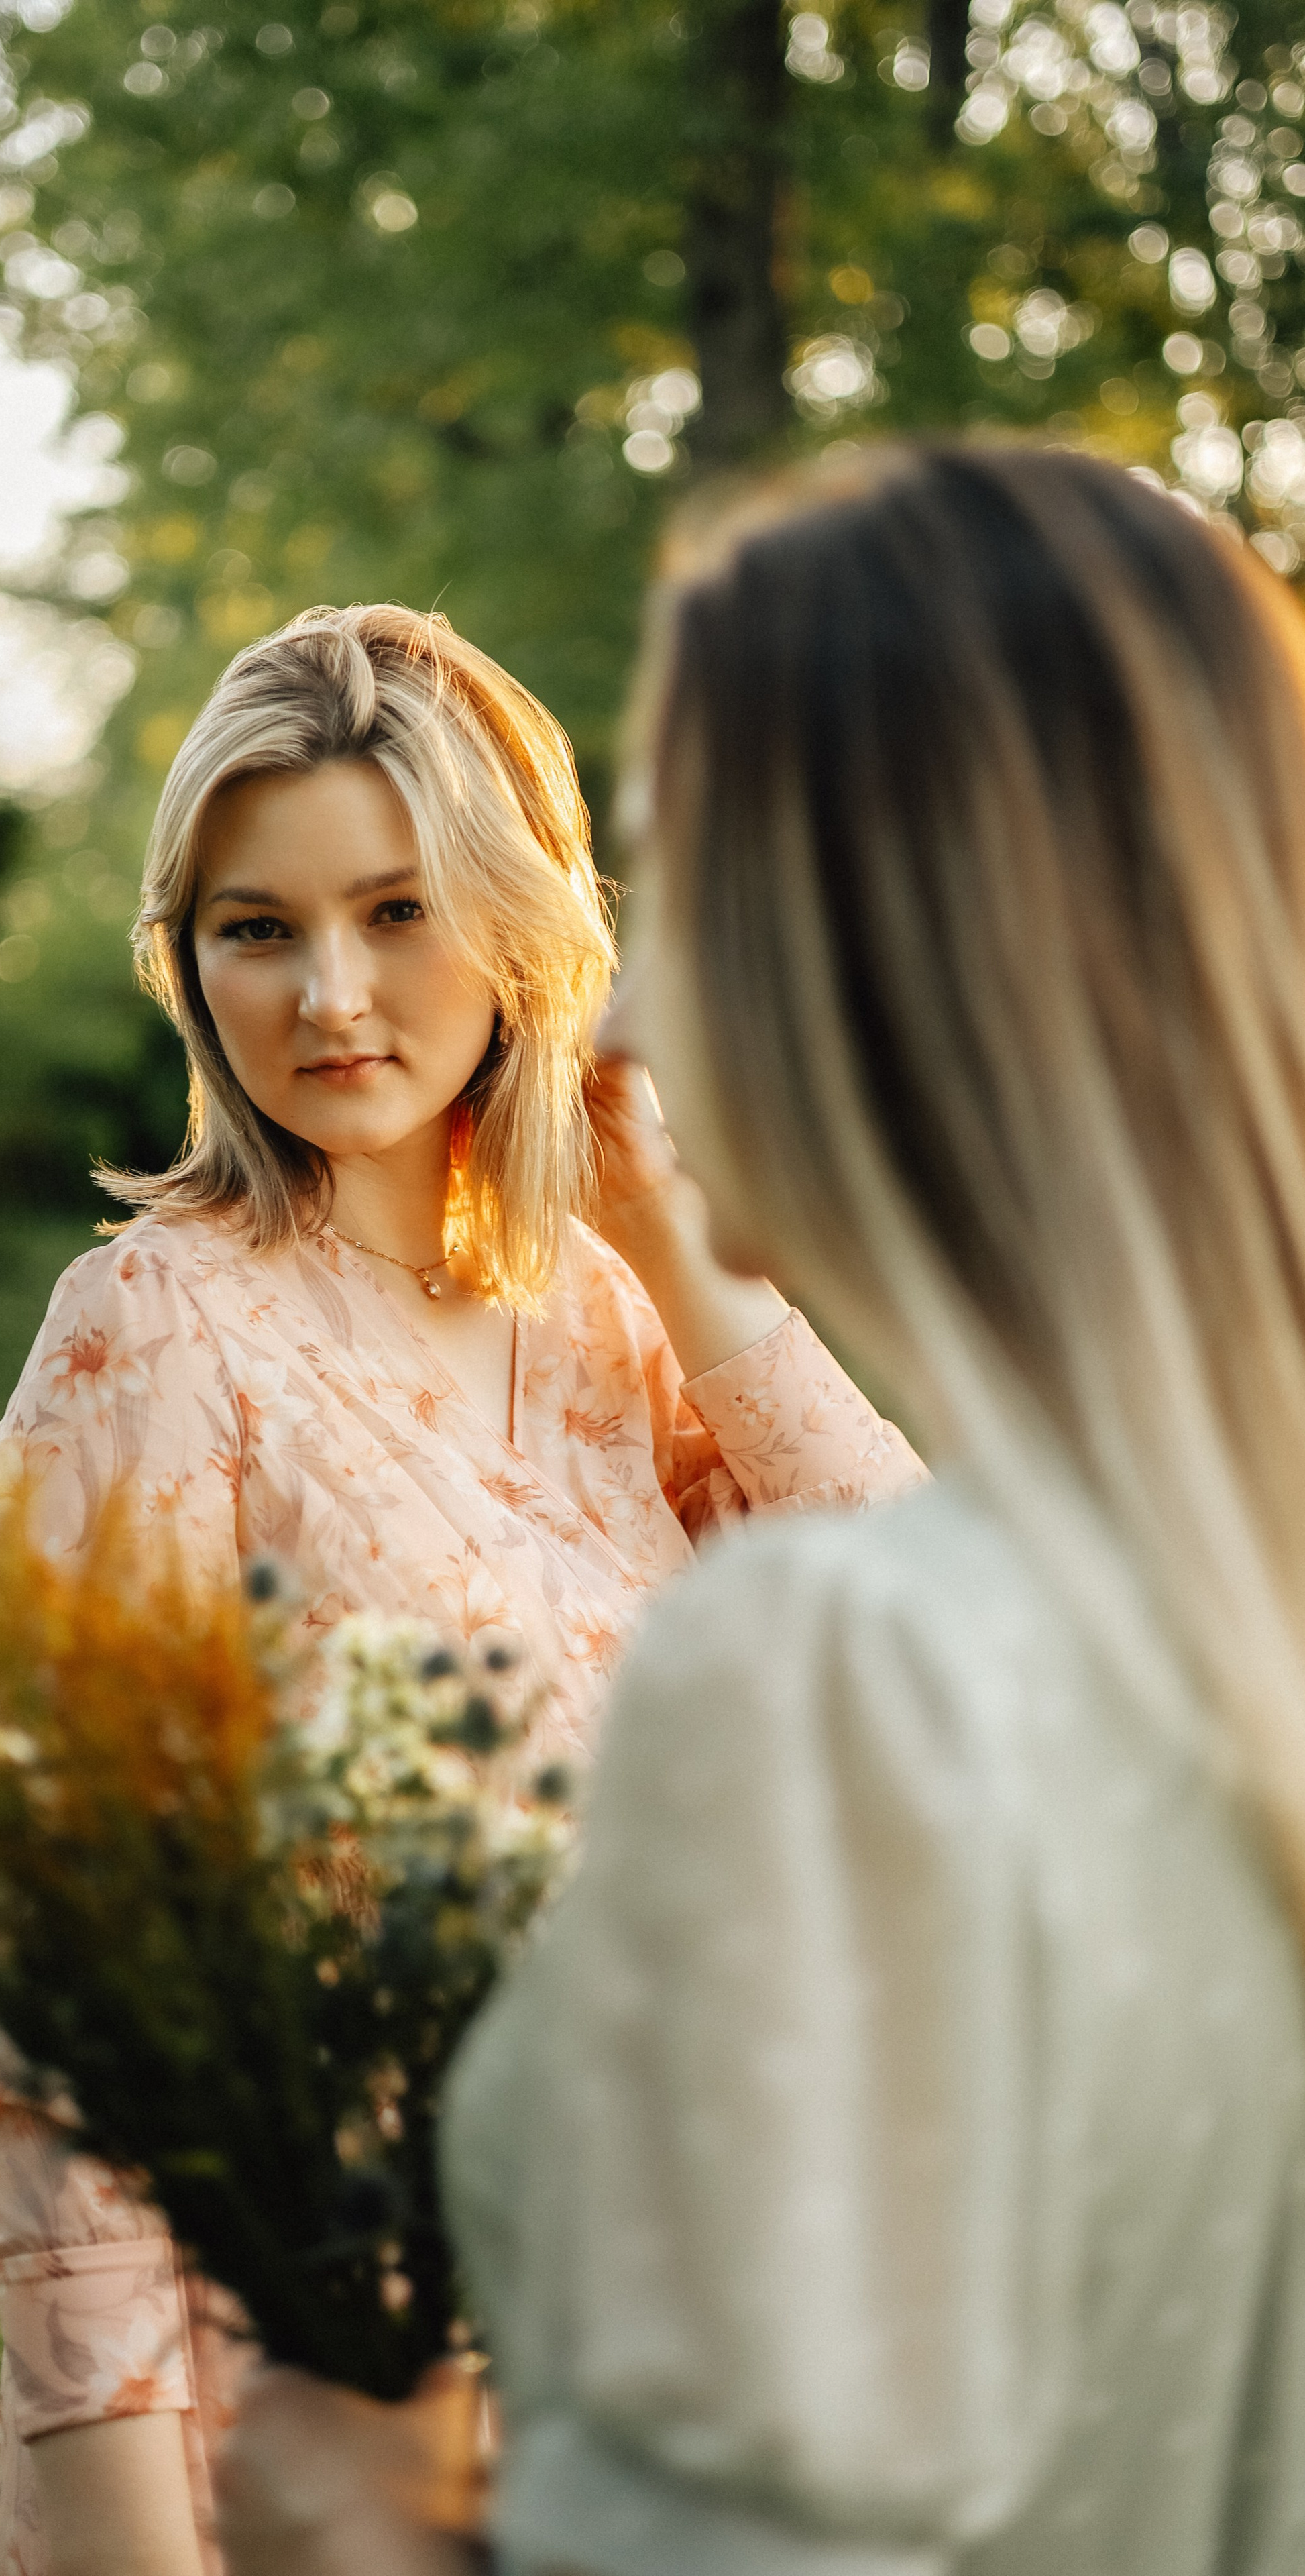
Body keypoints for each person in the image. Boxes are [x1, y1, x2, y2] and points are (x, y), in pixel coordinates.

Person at [223, 445, 1305, 2575]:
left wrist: (367, 2536)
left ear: (876, 962)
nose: (622, 1003)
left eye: (679, 884)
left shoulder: (855, 1675)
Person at [0, 604, 925, 2576]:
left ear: (519, 923)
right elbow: (78, 2014)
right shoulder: (157, 1337)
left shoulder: (612, 1317)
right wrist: (128, 2522)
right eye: (258, 927)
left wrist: (689, 1258)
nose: (331, 994)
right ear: (187, 956)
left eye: (400, 912)